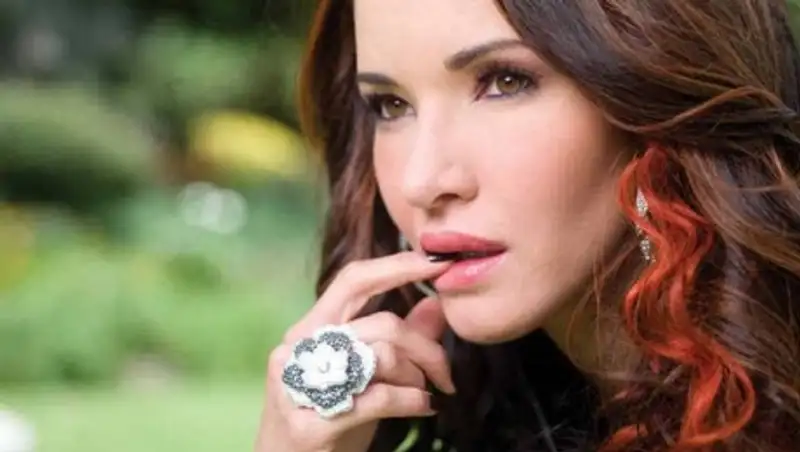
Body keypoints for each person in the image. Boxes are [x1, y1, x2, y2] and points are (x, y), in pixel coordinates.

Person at [255, 0, 800, 450]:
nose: (422, 181)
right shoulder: (494, 409)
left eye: (504, 81)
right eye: (391, 105)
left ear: (650, 96)